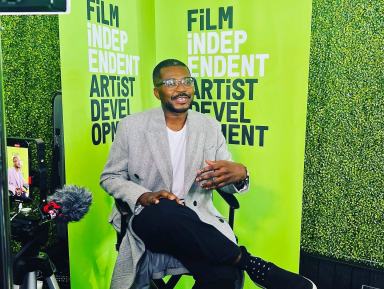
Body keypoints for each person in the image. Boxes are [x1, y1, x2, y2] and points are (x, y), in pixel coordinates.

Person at [100, 59, 317, 289]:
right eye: (171, 82)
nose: (181, 88)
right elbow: (110, 177)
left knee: (224, 275)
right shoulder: (131, 127)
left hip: (197, 221)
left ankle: (242, 262)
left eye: (187, 81)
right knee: (164, 207)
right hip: (151, 219)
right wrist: (142, 196)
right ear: (157, 92)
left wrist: (240, 173)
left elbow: (223, 177)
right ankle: (253, 264)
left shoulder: (209, 127)